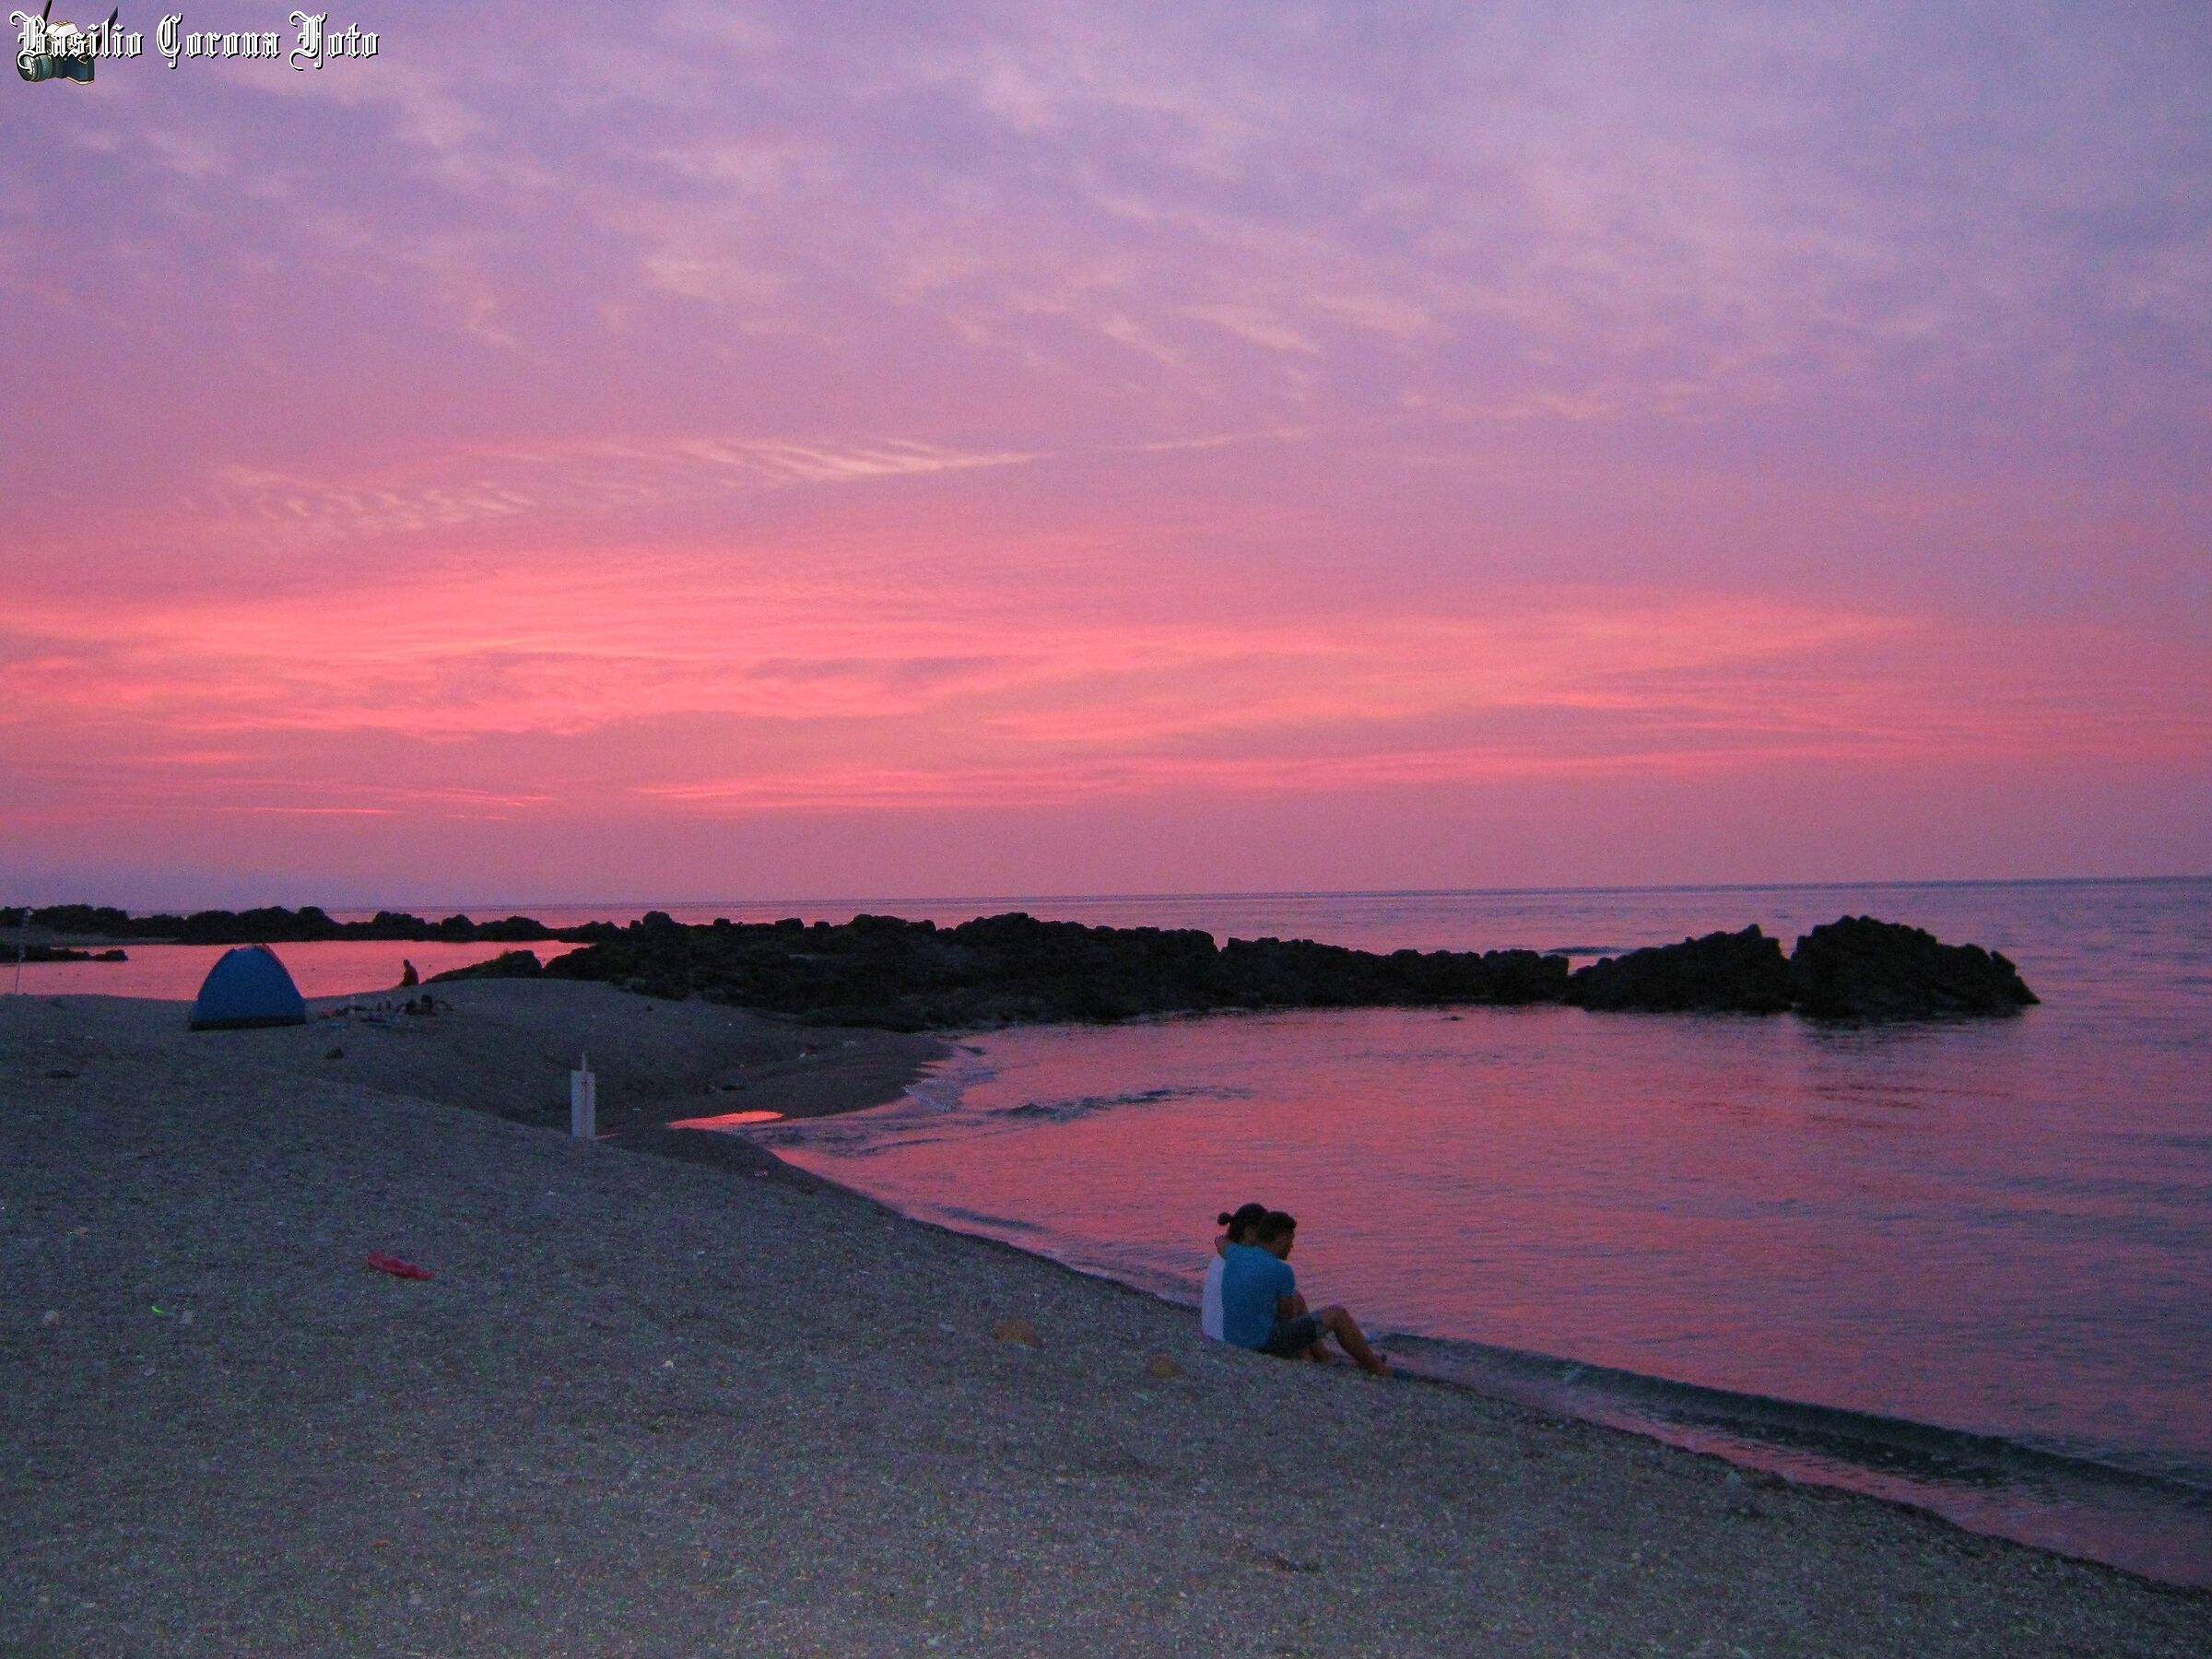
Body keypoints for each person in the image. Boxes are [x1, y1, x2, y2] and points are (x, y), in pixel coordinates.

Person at [1218, 1209, 1390, 1375]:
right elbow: (1287, 1319)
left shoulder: (1235, 1252)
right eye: (1290, 1240)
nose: (1292, 1246)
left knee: (1295, 1297)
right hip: (1262, 1345)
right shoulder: (1282, 1271)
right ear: (1281, 1238)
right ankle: (1376, 1366)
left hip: (1235, 1341)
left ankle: (1323, 1356)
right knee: (1337, 1315)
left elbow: (1219, 1240)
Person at [1201, 1202, 1270, 1340]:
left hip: (1212, 1332)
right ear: (1250, 1231)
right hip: (1231, 1338)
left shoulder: (1220, 1259)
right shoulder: (1245, 1262)